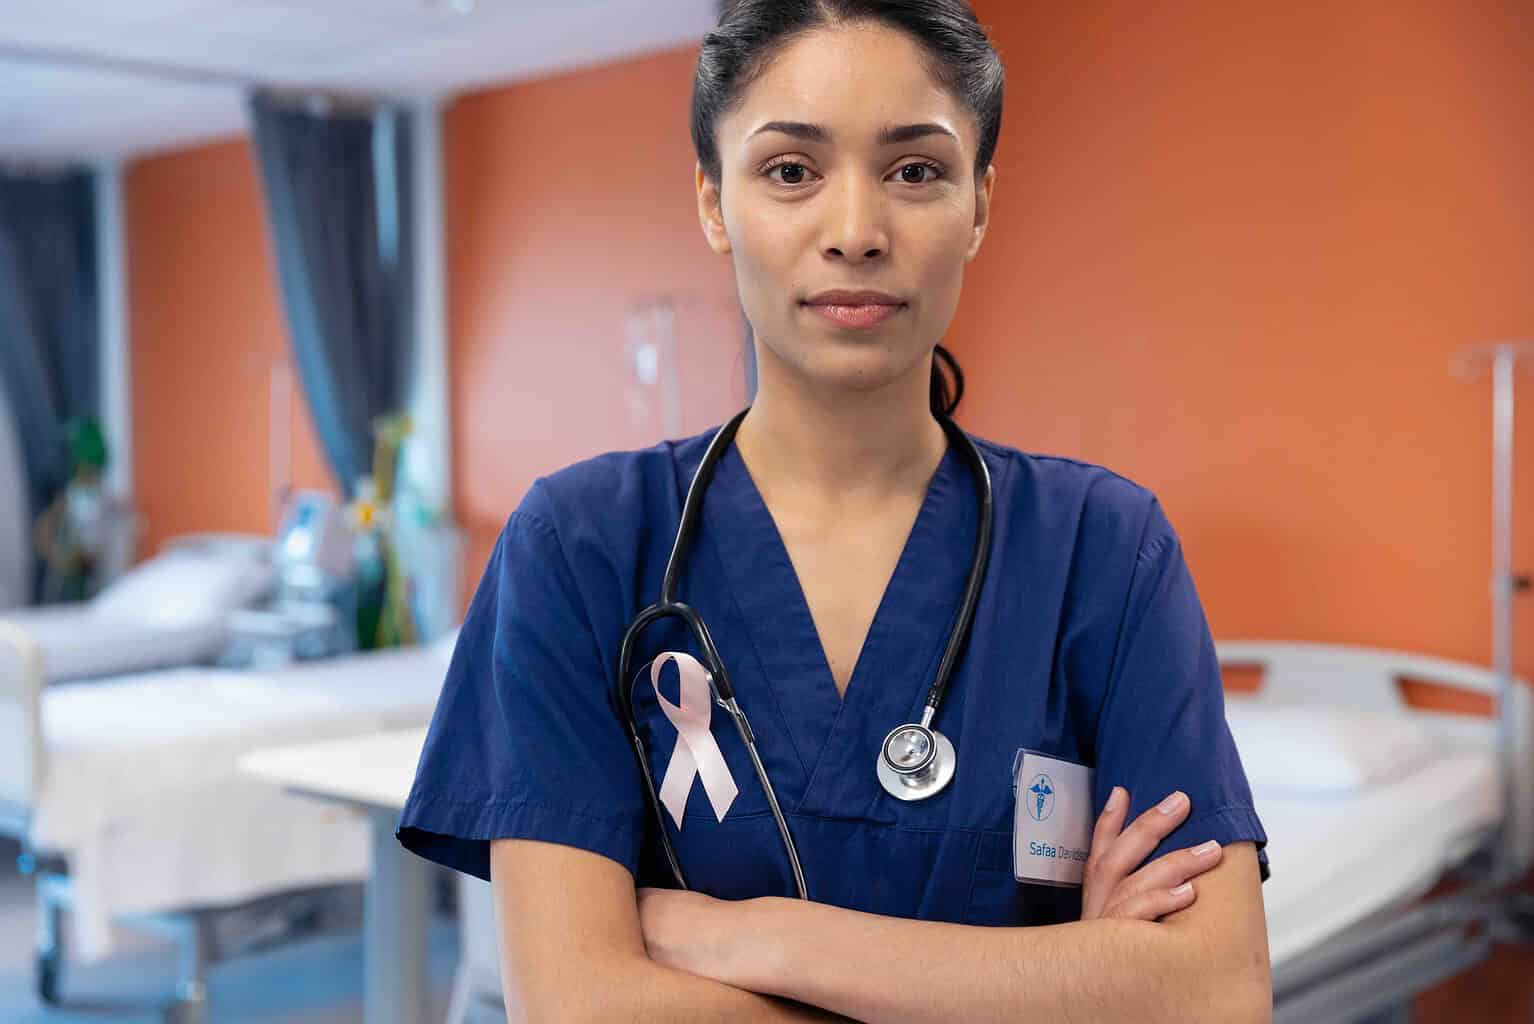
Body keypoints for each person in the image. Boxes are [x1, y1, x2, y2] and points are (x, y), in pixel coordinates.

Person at [397, 1, 1271, 1019]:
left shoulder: (1104, 551)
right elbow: (582, 1004)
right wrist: (1063, 981)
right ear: (712, 202)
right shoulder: (580, 547)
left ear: (979, 204)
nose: (855, 232)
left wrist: (762, 937)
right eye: (789, 171)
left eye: (915, 171)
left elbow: (1214, 993)